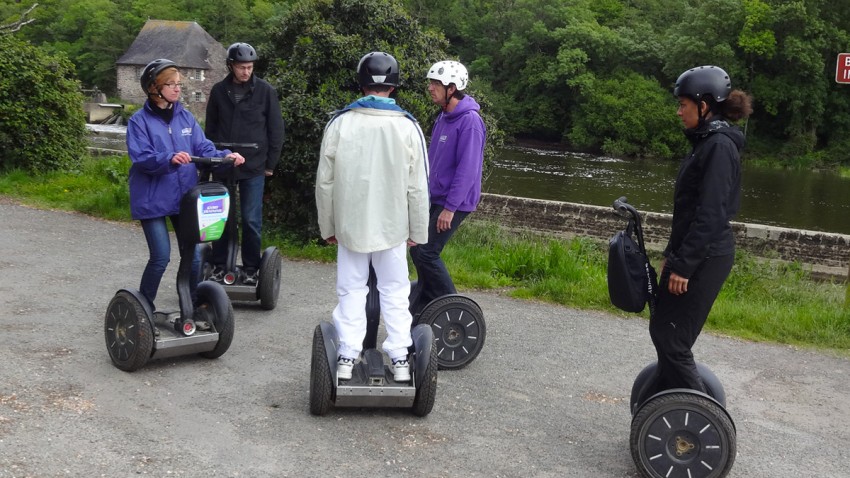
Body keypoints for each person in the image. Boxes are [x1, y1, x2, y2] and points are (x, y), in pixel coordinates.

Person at [315, 52, 430, 382]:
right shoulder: (408, 127)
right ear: (393, 87)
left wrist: (329, 225)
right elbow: (418, 185)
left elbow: (325, 182)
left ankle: (347, 355)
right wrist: (417, 230)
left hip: (351, 225)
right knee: (395, 291)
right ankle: (400, 358)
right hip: (392, 227)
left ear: (361, 82)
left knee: (351, 289)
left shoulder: (340, 122)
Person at [650, 65, 753, 394]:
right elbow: (688, 212)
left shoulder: (719, 147)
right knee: (663, 331)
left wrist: (686, 265)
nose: (679, 112)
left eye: (683, 104)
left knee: (674, 341)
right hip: (693, 254)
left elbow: (711, 214)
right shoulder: (706, 142)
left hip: (708, 257)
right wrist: (672, 256)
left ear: (704, 106)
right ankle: (664, 401)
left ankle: (698, 418)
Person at [127, 58, 245, 310]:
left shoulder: (186, 117)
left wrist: (225, 156)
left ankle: (191, 307)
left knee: (193, 257)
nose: (178, 88)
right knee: (160, 257)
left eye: (179, 84)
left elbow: (203, 148)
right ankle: (142, 309)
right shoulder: (139, 122)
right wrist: (168, 158)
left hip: (184, 198)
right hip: (153, 199)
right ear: (153, 88)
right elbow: (142, 157)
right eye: (170, 84)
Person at [409, 60, 486, 313]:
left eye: (435, 84)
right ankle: (427, 301)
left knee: (427, 252)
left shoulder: (470, 121)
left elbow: (468, 169)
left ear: (452, 88)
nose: (430, 88)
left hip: (455, 202)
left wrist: (450, 208)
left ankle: (454, 310)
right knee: (417, 249)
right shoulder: (443, 116)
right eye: (430, 82)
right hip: (437, 197)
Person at [205, 42, 285, 286]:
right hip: (223, 164)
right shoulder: (219, 91)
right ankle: (219, 264)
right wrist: (211, 160)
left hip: (254, 166)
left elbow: (276, 130)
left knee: (251, 220)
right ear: (231, 66)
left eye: (249, 67)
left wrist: (270, 164)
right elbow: (210, 129)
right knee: (221, 218)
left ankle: (251, 267)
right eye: (241, 67)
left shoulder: (265, 91)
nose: (246, 72)